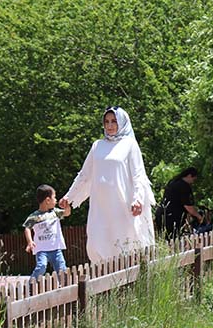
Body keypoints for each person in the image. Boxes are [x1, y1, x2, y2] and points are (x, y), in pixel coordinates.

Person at [59, 106, 156, 264]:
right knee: (98, 241)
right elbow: (84, 175)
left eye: (114, 121)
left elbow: (138, 175)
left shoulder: (130, 145)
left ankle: (130, 275)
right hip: (100, 207)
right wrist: (68, 197)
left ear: (122, 123)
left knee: (125, 241)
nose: (110, 125)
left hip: (122, 205)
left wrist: (137, 199)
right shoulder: (97, 146)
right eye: (107, 121)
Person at [23, 184, 71, 280]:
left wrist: (67, 206)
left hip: (56, 248)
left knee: (62, 268)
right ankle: (31, 285)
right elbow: (27, 228)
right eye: (54, 197)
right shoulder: (34, 216)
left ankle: (65, 285)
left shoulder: (55, 212)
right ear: (48, 200)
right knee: (41, 266)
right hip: (42, 249)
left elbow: (67, 213)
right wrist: (30, 242)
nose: (56, 200)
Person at [158, 167, 204, 238]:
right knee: (174, 239)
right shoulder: (183, 186)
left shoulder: (173, 182)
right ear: (189, 176)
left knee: (166, 239)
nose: (193, 182)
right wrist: (199, 217)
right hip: (172, 217)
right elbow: (188, 206)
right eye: (193, 179)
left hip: (162, 214)